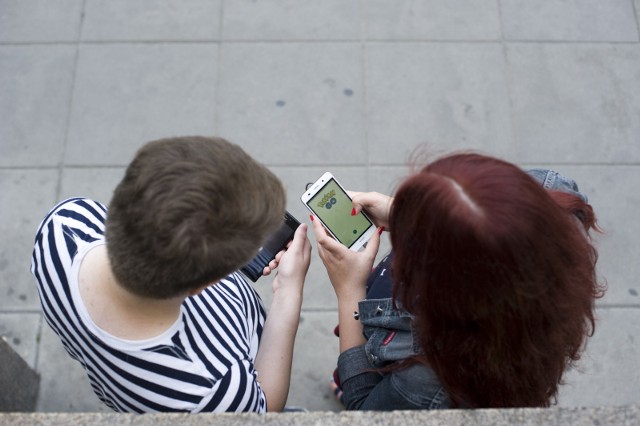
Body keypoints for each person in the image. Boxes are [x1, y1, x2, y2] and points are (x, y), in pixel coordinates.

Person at [31, 136, 311, 413]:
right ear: (209, 282)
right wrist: (289, 292)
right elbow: (264, 406)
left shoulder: (64, 225)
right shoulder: (214, 390)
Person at [311, 152, 604, 410]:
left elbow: (364, 409)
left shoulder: (429, 380)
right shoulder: (549, 193)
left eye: (423, 241)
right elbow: (495, 225)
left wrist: (350, 291)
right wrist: (407, 212)